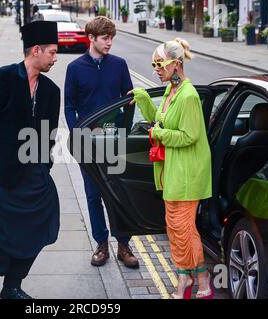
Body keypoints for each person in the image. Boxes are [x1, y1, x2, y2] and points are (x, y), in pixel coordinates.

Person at [0, 21, 61, 299]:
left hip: (34, 174)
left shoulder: (51, 91)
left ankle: (12, 285)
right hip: (0, 173)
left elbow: (49, 135)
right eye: (52, 52)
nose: (56, 58)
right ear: (36, 50)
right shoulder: (4, 77)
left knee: (40, 229)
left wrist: (44, 168)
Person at [129, 38, 213, 299]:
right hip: (173, 170)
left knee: (184, 230)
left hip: (188, 173)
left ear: (176, 64)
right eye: (153, 64)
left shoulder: (188, 96)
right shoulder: (169, 91)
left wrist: (160, 134)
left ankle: (200, 281)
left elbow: (190, 136)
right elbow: (160, 120)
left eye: (160, 64)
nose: (156, 68)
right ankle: (189, 278)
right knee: (175, 228)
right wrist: (144, 100)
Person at [64, 16, 139, 269]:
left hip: (114, 140)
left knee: (120, 193)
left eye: (111, 38)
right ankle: (101, 244)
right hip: (87, 142)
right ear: (91, 38)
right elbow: (69, 106)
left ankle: (124, 245)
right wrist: (77, 135)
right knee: (93, 195)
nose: (109, 43)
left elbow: (129, 101)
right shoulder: (75, 68)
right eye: (105, 38)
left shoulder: (119, 65)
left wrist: (123, 132)